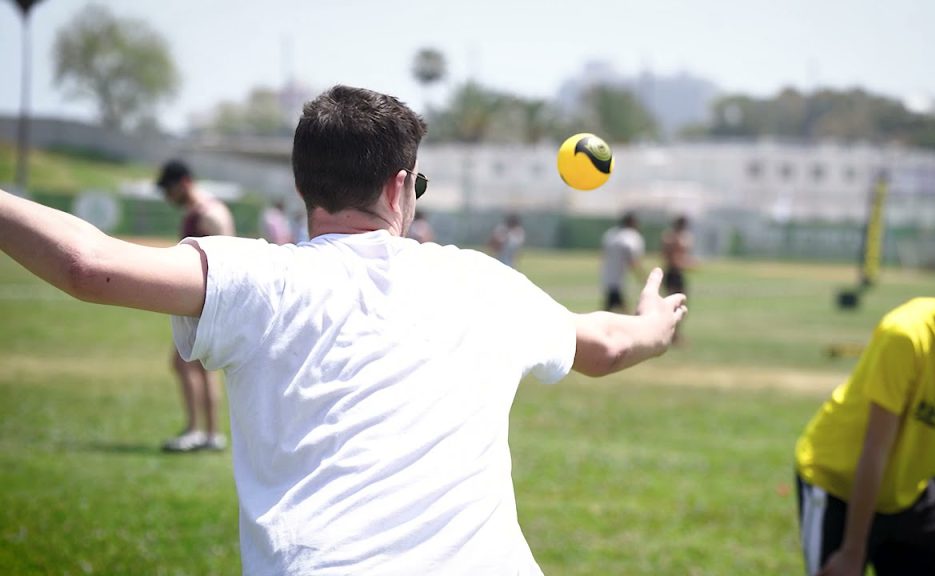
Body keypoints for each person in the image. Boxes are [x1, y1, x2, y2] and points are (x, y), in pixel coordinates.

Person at [0, 84, 686, 575]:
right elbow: (605, 346)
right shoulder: (482, 282)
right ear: (397, 187)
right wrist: (654, 326)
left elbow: (87, 265)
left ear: (305, 187)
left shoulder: (262, 279)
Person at [795, 233, 935, 576]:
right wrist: (853, 550)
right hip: (839, 483)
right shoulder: (907, 337)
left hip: (908, 492)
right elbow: (875, 447)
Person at [155, 159, 236, 453]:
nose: (167, 196)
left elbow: (229, 260)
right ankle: (211, 434)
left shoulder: (210, 213)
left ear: (184, 183)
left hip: (208, 304)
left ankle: (196, 431)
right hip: (201, 304)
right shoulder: (198, 211)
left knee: (184, 363)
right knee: (201, 369)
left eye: (169, 189)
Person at [601, 211, 646, 312]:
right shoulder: (631, 237)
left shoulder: (611, 234)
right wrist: (642, 277)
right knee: (621, 310)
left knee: (609, 308)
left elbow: (604, 254)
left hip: (608, 276)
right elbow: (633, 261)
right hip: (619, 279)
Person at [660, 215, 695, 343]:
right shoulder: (677, 239)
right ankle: (673, 335)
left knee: (674, 304)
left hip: (672, 273)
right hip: (675, 273)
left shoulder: (669, 237)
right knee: (677, 305)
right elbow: (675, 259)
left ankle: (673, 334)